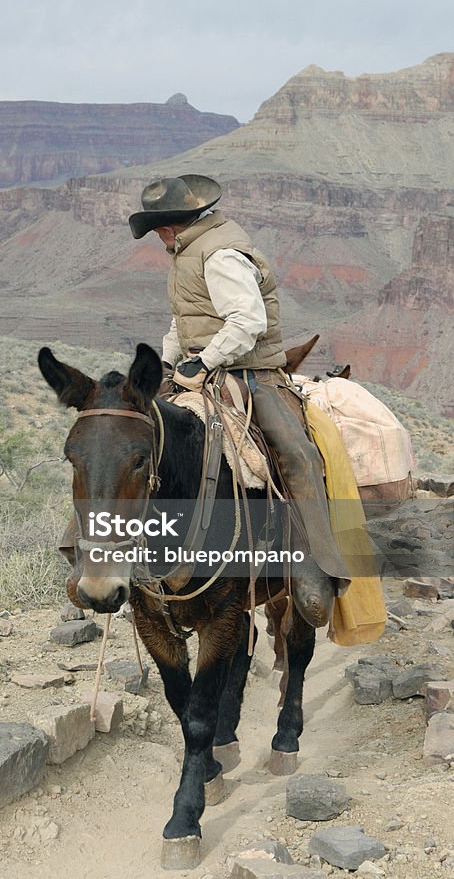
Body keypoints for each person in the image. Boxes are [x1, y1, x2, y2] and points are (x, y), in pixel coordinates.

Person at [128, 174, 350, 611]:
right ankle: (94, 557)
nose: (158, 238)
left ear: (170, 227)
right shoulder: (188, 253)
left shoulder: (221, 255)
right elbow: (184, 321)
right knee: (125, 436)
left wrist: (206, 360)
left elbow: (247, 322)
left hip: (252, 374)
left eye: (157, 231)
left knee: (295, 454)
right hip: (197, 370)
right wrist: (169, 364)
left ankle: (316, 564)